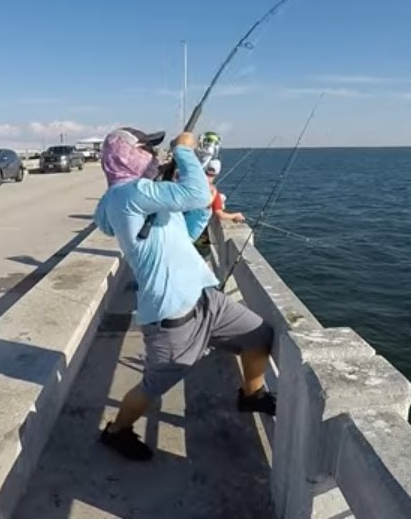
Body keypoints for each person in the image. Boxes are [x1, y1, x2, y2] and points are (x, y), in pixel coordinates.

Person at [94, 127, 276, 461]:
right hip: (172, 315)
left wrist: (202, 203)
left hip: (207, 299)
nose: (154, 154)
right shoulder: (128, 194)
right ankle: (115, 431)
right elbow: (190, 193)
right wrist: (184, 151)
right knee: (154, 386)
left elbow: (187, 230)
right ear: (125, 154)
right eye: (147, 148)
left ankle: (251, 394)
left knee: (260, 335)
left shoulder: (139, 196)